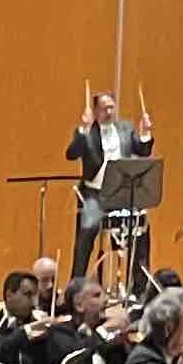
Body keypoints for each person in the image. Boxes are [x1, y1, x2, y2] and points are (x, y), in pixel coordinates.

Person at [68, 90, 154, 281]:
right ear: (95, 111)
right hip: (94, 194)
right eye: (104, 109)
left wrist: (145, 133)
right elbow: (71, 154)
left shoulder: (125, 128)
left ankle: (139, 287)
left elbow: (143, 151)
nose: (109, 112)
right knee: (86, 235)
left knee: (140, 227)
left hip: (120, 193)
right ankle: (76, 284)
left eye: (111, 108)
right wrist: (83, 131)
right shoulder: (87, 131)